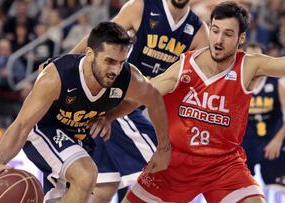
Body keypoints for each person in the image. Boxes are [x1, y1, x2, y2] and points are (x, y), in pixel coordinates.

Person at [101, 1, 285, 202]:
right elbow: (147, 94)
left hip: (223, 164)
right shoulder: (185, 64)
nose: (219, 39)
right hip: (176, 161)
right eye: (215, 30)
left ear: (241, 38)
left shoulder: (249, 66)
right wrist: (109, 115)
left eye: (228, 34)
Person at [0, 22, 171, 203]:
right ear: (90, 54)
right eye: (109, 61)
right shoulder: (57, 76)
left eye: (121, 63)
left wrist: (112, 117)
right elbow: (22, 125)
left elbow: (153, 100)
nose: (115, 70)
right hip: (44, 128)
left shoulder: (128, 77)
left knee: (76, 191)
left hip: (78, 136)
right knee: (86, 174)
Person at [71, 0, 209, 201]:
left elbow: (204, 78)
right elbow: (101, 39)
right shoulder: (141, 7)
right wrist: (65, 62)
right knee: (163, 167)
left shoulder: (198, 30)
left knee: (103, 189)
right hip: (118, 98)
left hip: (141, 105)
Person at [242, 43, 285, 203]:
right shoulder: (238, 83)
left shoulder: (275, 83)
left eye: (258, 57)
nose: (254, 62)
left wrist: (278, 139)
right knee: (238, 192)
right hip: (247, 144)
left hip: (273, 144)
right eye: (250, 58)